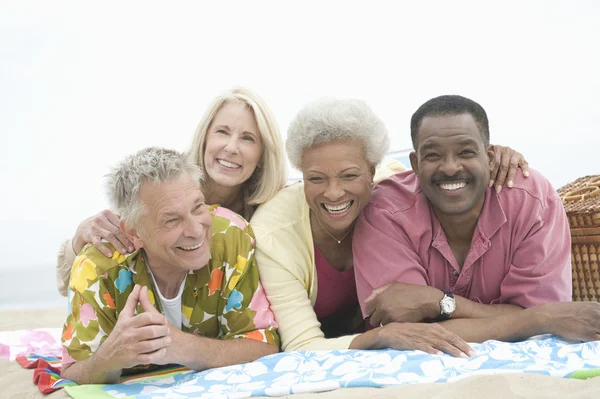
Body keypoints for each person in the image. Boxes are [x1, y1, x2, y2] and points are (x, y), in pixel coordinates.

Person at [251, 97, 529, 356]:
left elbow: (442, 171)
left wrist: (500, 156)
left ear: (372, 171)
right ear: (301, 173)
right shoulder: (273, 233)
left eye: (349, 175)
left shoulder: (391, 196)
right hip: (347, 350)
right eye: (316, 178)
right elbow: (301, 345)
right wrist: (380, 337)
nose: (334, 192)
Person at [353, 94, 600, 343]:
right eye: (433, 155)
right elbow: (409, 333)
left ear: (490, 159)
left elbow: (549, 326)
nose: (450, 167)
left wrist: (437, 302)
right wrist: (534, 320)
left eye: (466, 152)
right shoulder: (385, 211)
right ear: (415, 164)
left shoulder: (533, 201)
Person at [61, 147, 279, 384]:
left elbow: (264, 344)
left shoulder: (231, 237)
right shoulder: (96, 268)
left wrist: (180, 346)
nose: (196, 231)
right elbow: (73, 370)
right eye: (172, 220)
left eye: (198, 207)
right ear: (134, 233)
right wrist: (110, 357)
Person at [56, 87, 287, 295]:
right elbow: (70, 285)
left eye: (247, 138)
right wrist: (79, 241)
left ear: (262, 155)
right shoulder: (162, 186)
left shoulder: (275, 210)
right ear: (205, 137)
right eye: (222, 132)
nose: (231, 147)